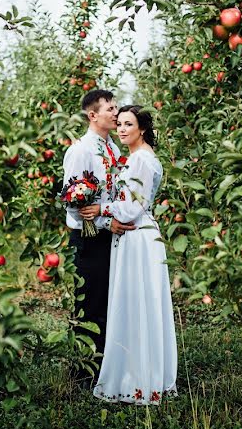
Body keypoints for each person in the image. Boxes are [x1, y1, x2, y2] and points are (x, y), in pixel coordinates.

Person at [89, 105, 178, 405]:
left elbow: (130, 209)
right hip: (136, 237)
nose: (122, 129)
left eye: (129, 124)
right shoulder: (138, 158)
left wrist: (102, 208)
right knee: (137, 305)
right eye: (120, 124)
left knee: (137, 305)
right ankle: (139, 375)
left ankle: (138, 380)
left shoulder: (141, 160)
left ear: (142, 129)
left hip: (137, 237)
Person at [62, 90, 136, 381]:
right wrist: (106, 224)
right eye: (110, 108)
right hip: (88, 236)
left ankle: (104, 365)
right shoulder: (80, 150)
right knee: (88, 302)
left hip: (108, 234)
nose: (116, 113)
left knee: (107, 300)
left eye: (117, 107)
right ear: (93, 115)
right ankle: (82, 372)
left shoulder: (113, 150)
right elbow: (72, 201)